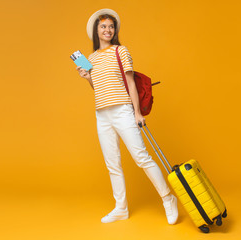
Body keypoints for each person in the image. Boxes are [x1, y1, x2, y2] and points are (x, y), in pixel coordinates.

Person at [76, 8, 178, 224]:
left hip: (123, 110)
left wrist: (137, 113)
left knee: (142, 157)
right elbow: (100, 88)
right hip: (102, 114)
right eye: (103, 26)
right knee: (112, 163)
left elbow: (130, 83)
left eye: (111, 26)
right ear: (96, 30)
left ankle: (168, 199)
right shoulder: (91, 58)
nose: (108, 29)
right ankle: (121, 208)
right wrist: (87, 77)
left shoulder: (120, 51)